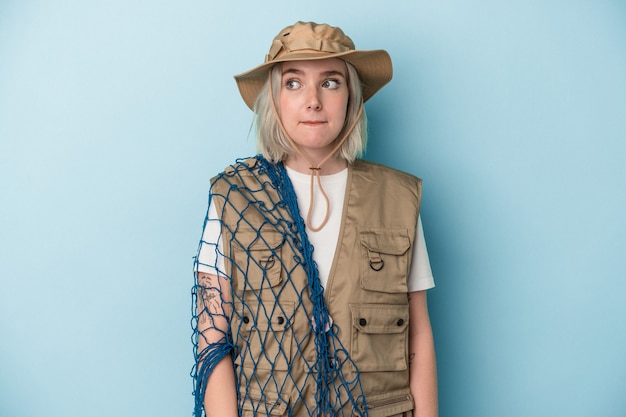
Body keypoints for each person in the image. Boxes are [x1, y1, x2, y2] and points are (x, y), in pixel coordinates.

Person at [192, 21, 438, 417]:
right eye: (293, 83)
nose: (312, 101)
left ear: (351, 98)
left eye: (330, 82)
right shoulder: (234, 198)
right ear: (273, 99)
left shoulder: (398, 198)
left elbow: (419, 334)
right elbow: (212, 338)